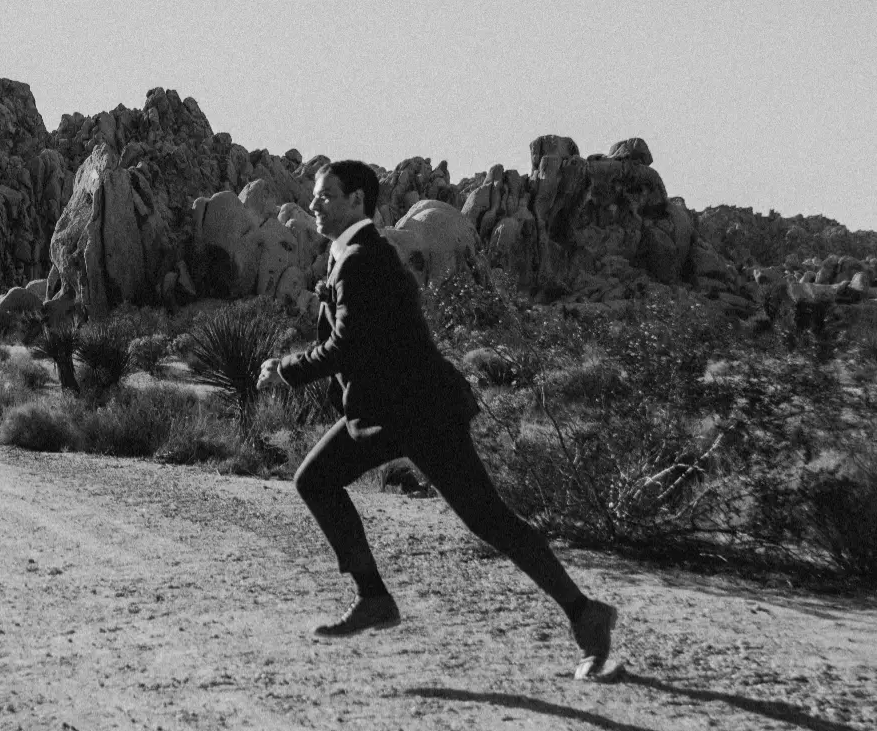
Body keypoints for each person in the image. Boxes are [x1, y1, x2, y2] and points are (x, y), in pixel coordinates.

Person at [256, 162, 619, 680]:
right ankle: (373, 598)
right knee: (315, 479)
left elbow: (346, 345)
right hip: (385, 412)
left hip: (423, 413)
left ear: (357, 201)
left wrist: (286, 370)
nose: (314, 204)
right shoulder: (352, 256)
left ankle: (586, 615)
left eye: (326, 195)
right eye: (314, 196)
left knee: (489, 520)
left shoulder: (362, 260)